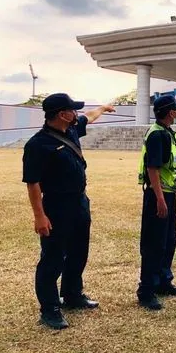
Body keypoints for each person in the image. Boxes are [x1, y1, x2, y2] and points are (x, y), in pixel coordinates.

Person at [22, 93, 116, 330]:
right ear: (62, 114)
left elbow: (89, 117)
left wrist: (103, 107)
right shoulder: (37, 145)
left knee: (78, 251)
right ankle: (50, 308)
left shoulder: (71, 130)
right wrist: (39, 215)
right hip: (56, 206)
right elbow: (33, 183)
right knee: (52, 258)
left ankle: (73, 295)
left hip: (79, 203)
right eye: (72, 110)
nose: (76, 114)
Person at [136, 95, 176, 310]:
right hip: (159, 195)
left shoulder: (166, 132)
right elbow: (152, 169)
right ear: (169, 112)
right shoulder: (158, 135)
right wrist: (159, 199)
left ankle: (163, 281)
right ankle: (146, 290)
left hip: (168, 193)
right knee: (154, 243)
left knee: (168, 240)